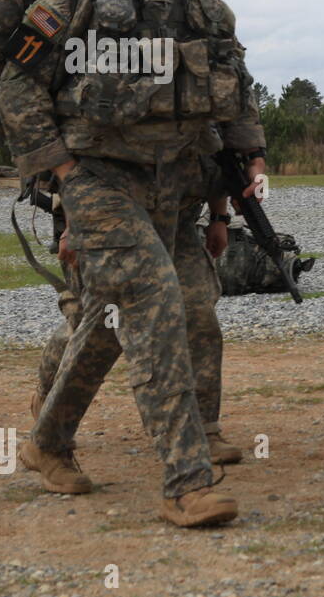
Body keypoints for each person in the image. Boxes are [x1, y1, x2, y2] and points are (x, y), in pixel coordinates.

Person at [0, 0, 266, 527]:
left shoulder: (202, 2)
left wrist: (243, 165)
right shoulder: (76, 1)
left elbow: (236, 84)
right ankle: (186, 480)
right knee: (153, 305)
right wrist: (62, 173)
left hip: (180, 183)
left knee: (118, 321)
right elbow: (18, 87)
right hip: (100, 181)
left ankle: (46, 441)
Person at [31, 143, 243, 467]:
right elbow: (84, 161)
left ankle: (203, 428)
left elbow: (218, 156)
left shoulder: (195, 99)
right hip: (108, 220)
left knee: (198, 313)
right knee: (99, 324)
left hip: (178, 220)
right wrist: (74, 226)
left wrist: (219, 217)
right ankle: (49, 413)